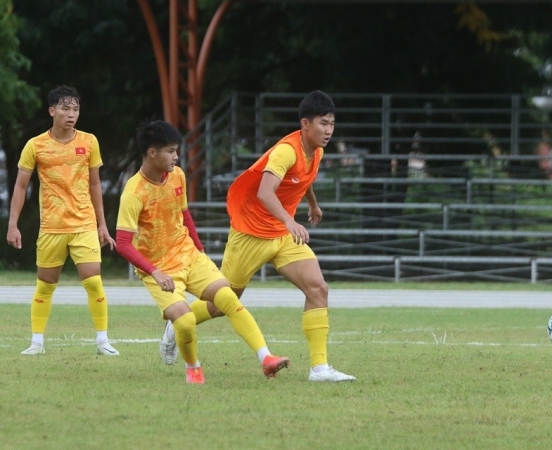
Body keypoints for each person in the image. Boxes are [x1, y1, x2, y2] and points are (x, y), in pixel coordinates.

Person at [162, 90, 355, 382]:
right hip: (251, 233)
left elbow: (302, 178)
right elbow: (266, 192)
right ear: (305, 124)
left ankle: (319, 368)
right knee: (223, 301)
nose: (329, 130)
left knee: (318, 288)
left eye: (332, 124)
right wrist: (290, 220)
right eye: (323, 124)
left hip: (282, 235)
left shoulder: (315, 151)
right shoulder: (285, 151)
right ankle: (179, 321)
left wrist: (312, 204)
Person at [115, 120, 289, 384]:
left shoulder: (178, 175)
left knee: (228, 299)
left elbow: (184, 214)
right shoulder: (134, 192)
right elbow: (123, 242)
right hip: (159, 268)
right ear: (152, 153)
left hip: (189, 255)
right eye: (171, 151)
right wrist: (155, 272)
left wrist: (199, 248)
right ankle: (193, 368)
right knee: (184, 323)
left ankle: (266, 358)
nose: (177, 156)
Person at [6, 85, 119, 356]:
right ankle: (36, 342)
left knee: (93, 282)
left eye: (76, 109)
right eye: (66, 108)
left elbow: (95, 185)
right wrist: (13, 224)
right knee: (45, 285)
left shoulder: (89, 141)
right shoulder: (35, 145)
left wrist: (102, 224)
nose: (72, 114)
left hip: (84, 224)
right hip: (52, 227)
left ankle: (103, 340)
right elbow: (20, 187)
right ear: (52, 111)